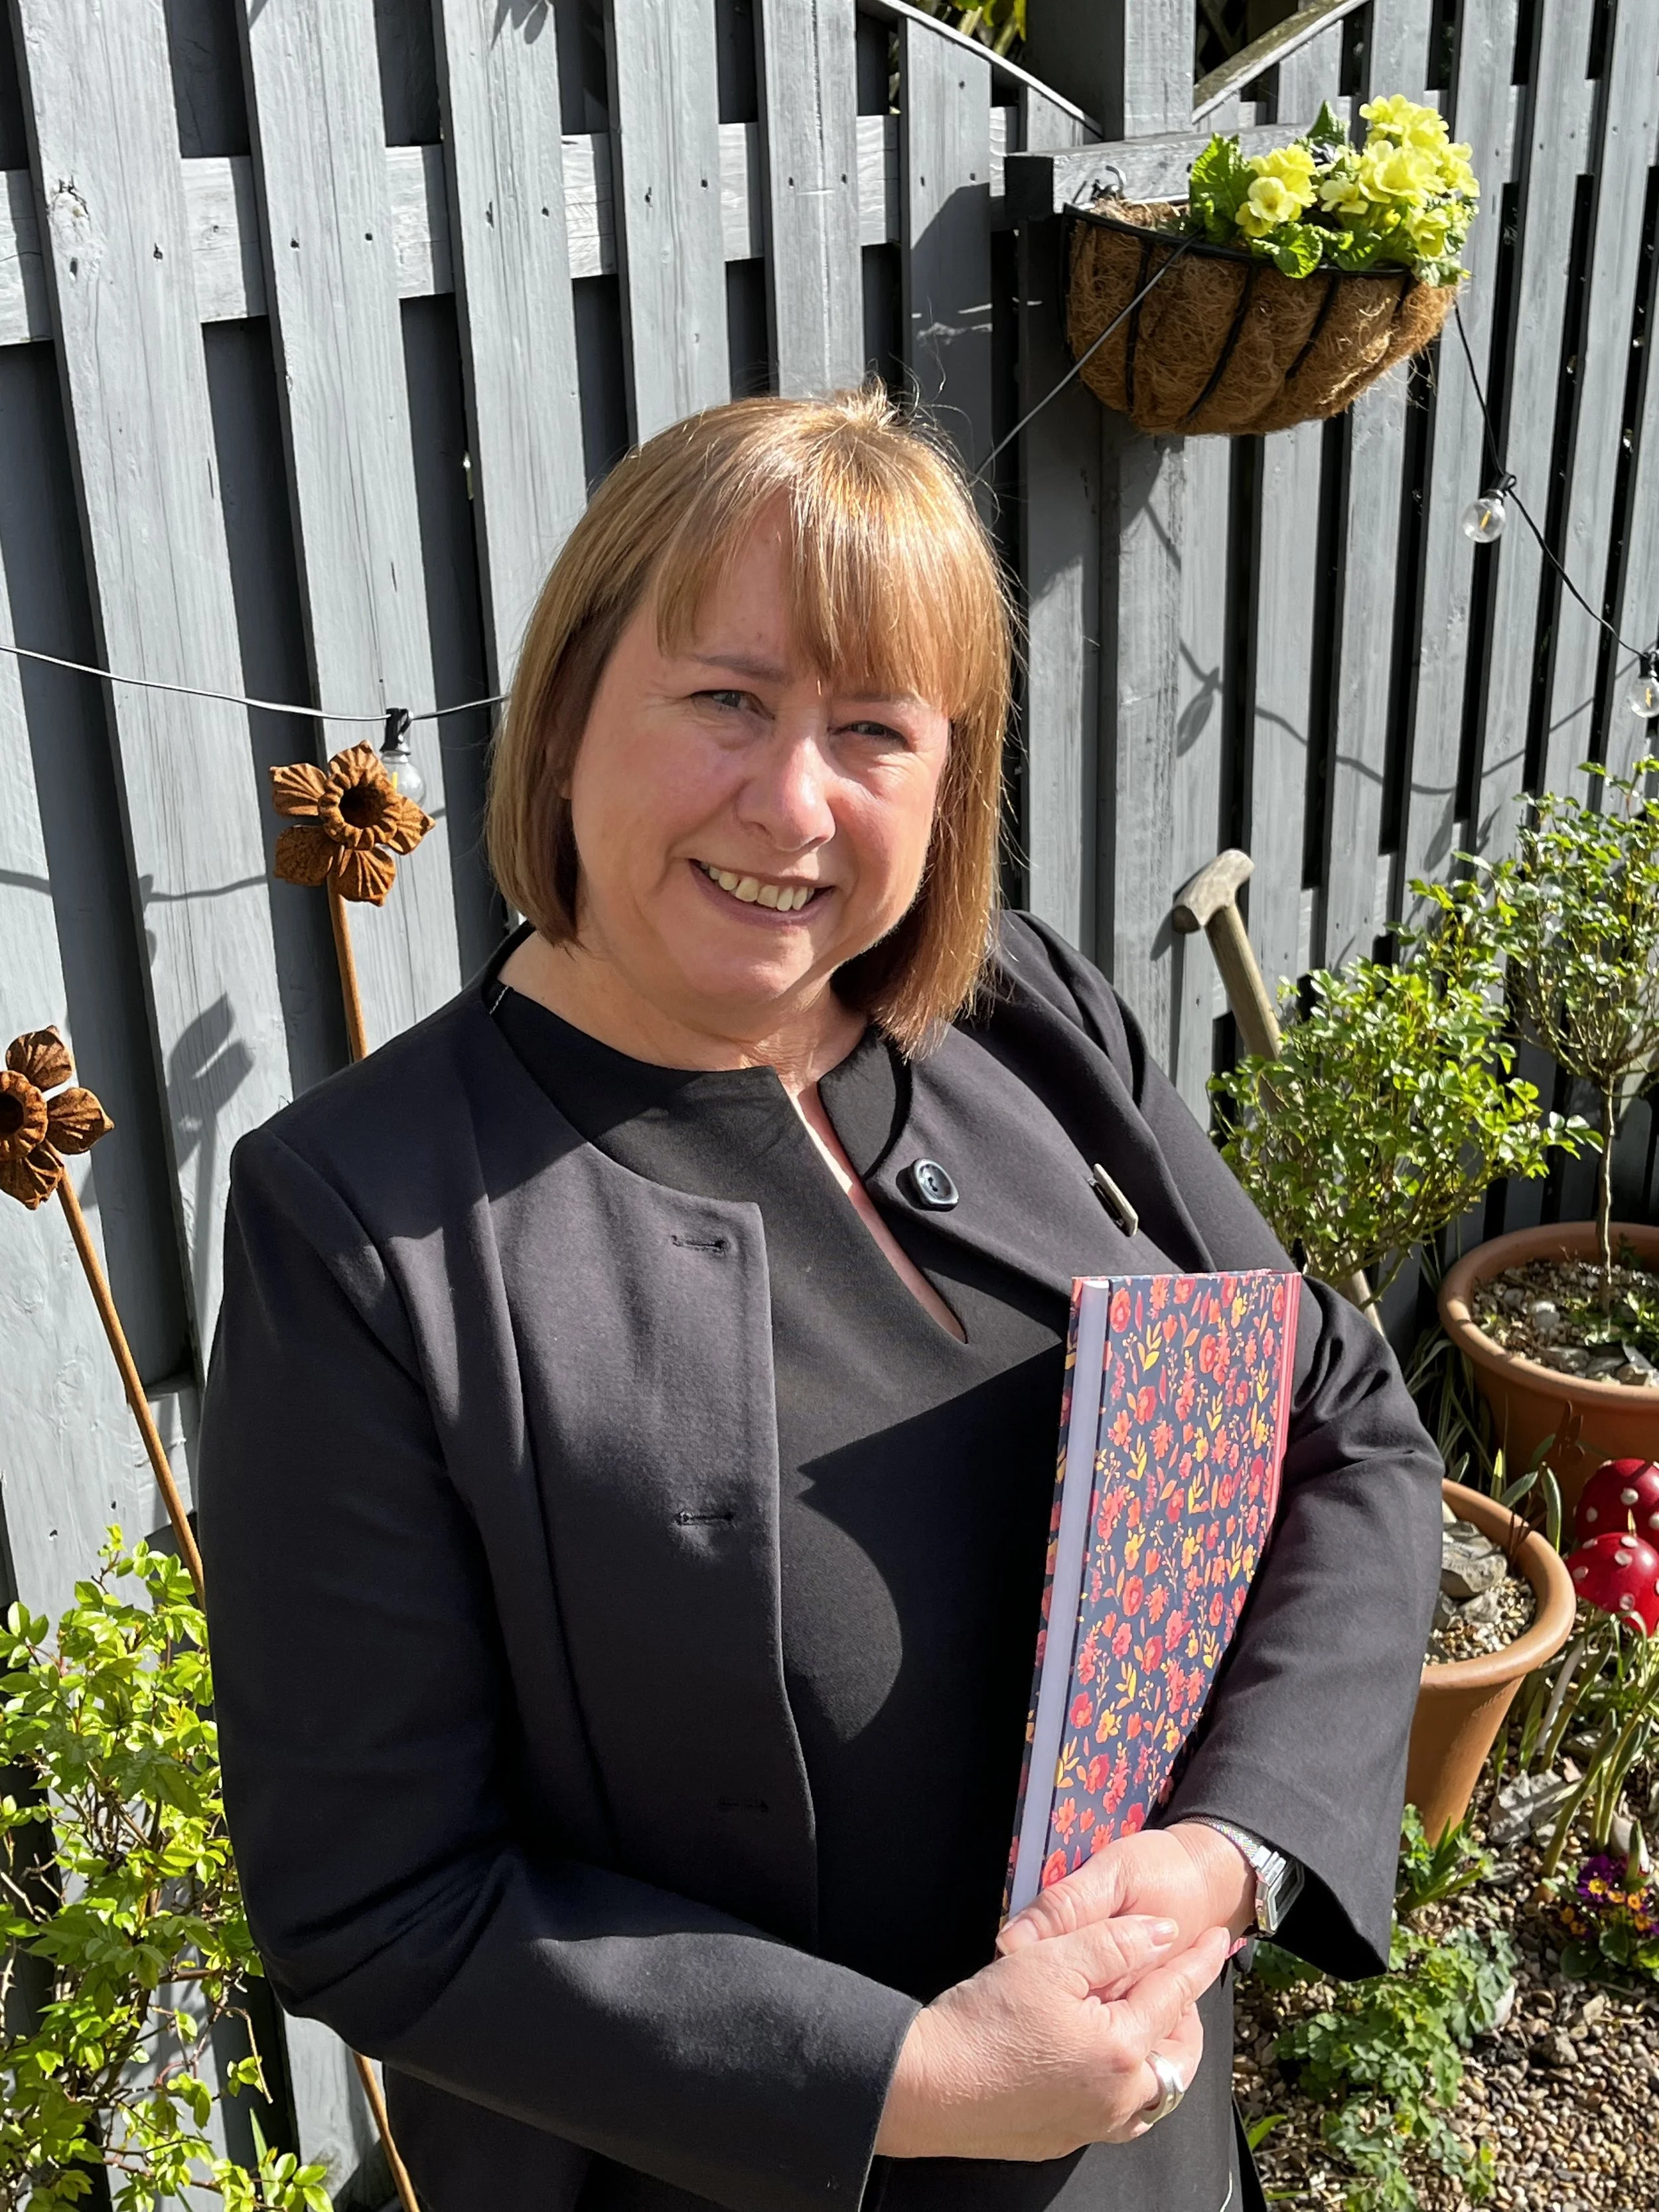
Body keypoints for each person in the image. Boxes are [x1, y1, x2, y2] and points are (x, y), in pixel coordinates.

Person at [198, 388, 1442, 2212]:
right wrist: (918, 2078)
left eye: (873, 728)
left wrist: (1229, 1851)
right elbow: (377, 1898)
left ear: (950, 781)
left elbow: (1333, 1415)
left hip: (1141, 2143)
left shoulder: (1022, 1012)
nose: (792, 800)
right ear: (565, 719)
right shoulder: (362, 1226)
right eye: (725, 699)